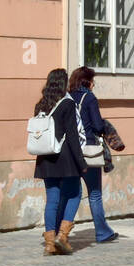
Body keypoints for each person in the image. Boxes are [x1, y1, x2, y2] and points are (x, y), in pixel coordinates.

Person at [33, 68, 86, 254]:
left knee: (52, 199)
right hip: (65, 159)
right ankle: (62, 236)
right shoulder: (67, 104)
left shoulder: (40, 105)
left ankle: (49, 244)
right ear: (63, 84)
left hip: (46, 158)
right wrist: (81, 162)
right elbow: (72, 136)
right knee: (75, 193)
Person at [69, 66, 118, 243]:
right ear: (87, 82)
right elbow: (97, 126)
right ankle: (102, 232)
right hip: (88, 151)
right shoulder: (89, 98)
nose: (94, 84)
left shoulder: (68, 97)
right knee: (95, 193)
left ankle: (61, 231)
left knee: (71, 193)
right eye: (93, 81)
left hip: (70, 151)